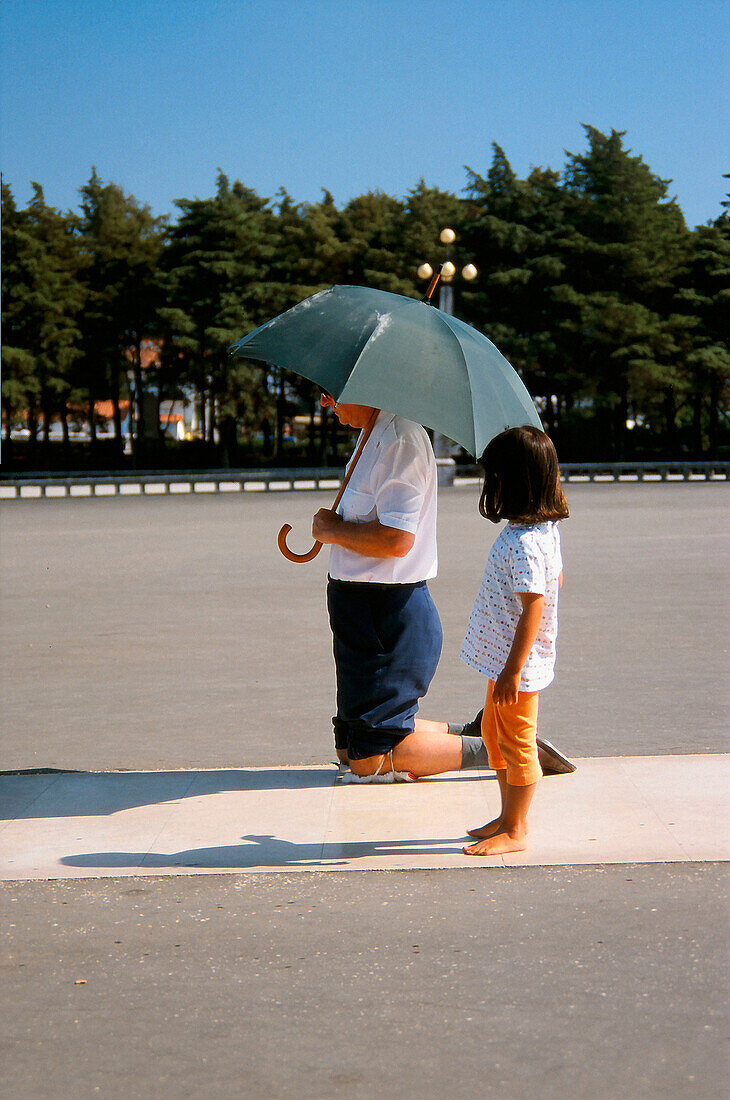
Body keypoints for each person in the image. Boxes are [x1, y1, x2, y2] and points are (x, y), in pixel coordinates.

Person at [312, 393, 486, 780]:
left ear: (362, 387)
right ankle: (475, 733)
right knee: (349, 748)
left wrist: (333, 530)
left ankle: (503, 748)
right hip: (356, 609)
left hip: (388, 614)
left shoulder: (400, 439)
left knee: (368, 761)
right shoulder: (370, 433)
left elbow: (395, 540)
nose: (326, 404)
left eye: (330, 394)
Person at [459, 425, 570, 856]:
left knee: (518, 741)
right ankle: (507, 816)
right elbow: (556, 577)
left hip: (515, 666)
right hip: (502, 661)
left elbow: (534, 607)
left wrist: (513, 670)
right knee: (492, 732)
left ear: (509, 483)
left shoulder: (523, 542)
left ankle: (517, 829)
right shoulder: (544, 531)